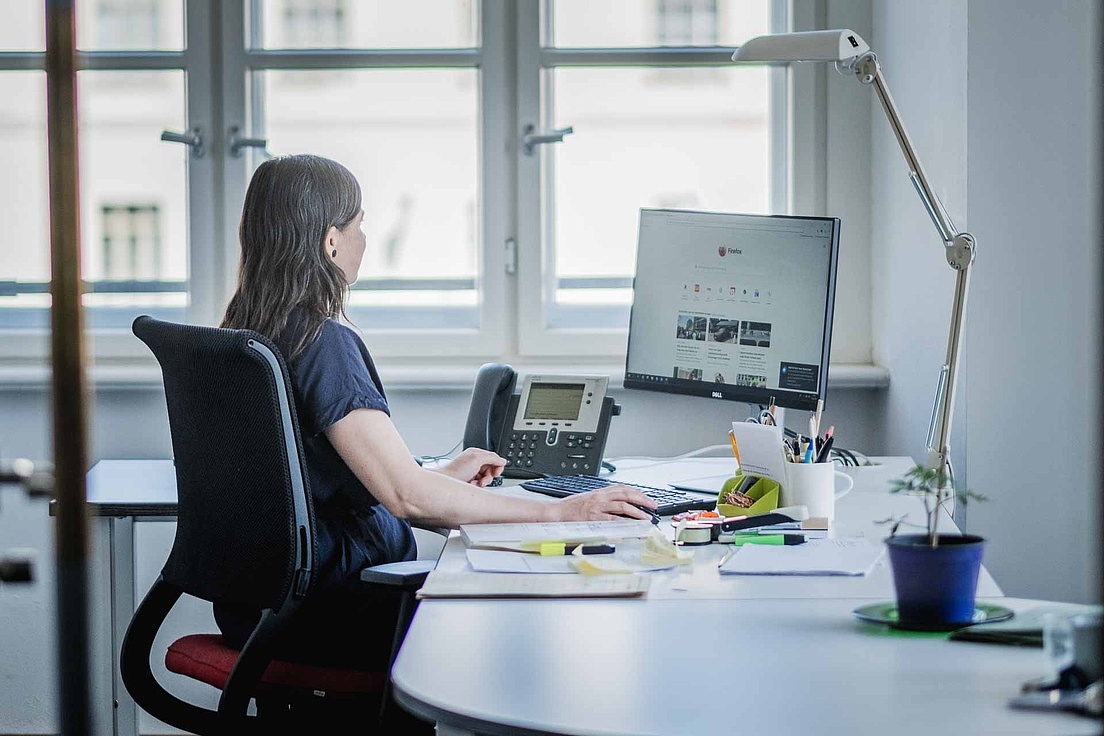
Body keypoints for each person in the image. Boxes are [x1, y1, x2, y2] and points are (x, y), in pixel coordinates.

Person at [214, 154, 657, 690]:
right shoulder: (323, 345)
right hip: (336, 612)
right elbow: (408, 499)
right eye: (359, 225)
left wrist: (439, 476)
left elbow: (311, 484)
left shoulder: (242, 335)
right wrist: (559, 512)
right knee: (534, 606)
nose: (363, 240)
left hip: (256, 612)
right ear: (331, 242)